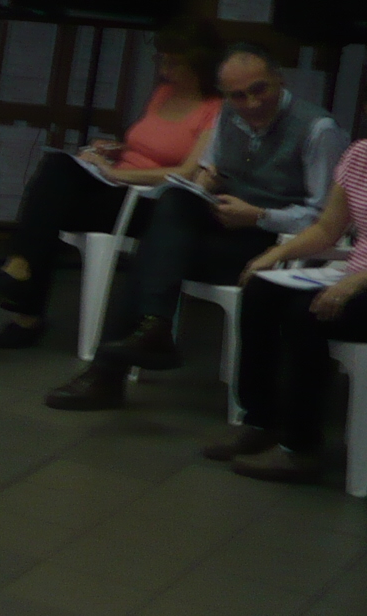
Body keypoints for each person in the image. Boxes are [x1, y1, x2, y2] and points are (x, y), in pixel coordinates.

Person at [45, 43, 343, 411]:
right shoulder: (227, 116)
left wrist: (260, 215)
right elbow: (208, 170)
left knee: (151, 257)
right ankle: (151, 328)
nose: (250, 103)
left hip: (272, 245)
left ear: (279, 79)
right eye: (238, 95)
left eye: (259, 89)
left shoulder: (317, 129)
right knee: (176, 201)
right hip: (222, 224)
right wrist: (206, 183)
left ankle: (110, 371)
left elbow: (325, 217)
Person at [0, 19, 223, 348]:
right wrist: (113, 151)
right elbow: (149, 146)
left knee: (49, 206)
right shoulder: (163, 94)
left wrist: (114, 173)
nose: (164, 70)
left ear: (200, 65)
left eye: (174, 63)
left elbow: (187, 171)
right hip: (117, 188)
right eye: (162, 60)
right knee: (57, 170)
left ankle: (24, 302)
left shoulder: (214, 111)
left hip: (151, 204)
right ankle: (19, 272)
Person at [219, 135, 367, 482]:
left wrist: (357, 281)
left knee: (306, 313)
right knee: (260, 290)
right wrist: (274, 254)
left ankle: (300, 447)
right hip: (353, 277)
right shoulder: (359, 155)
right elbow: (328, 228)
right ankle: (261, 420)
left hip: (360, 282)